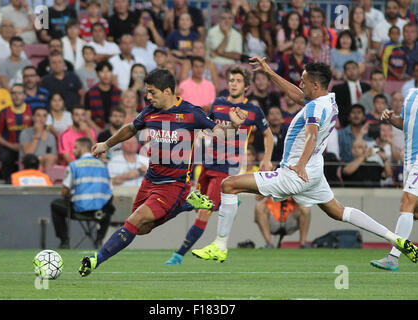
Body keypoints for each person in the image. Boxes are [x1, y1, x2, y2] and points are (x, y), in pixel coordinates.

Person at [190, 57, 418, 264]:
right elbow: (297, 96)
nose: (300, 84)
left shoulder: (316, 107)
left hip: (295, 173)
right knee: (338, 211)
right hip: (314, 171)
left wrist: (299, 165)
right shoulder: (327, 100)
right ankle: (396, 239)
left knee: (229, 184)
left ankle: (219, 246)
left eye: (303, 81)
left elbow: (311, 133)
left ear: (315, 85)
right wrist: (269, 72)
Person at [78, 68, 248, 277]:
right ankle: (186, 203)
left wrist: (233, 125)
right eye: (147, 92)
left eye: (152, 92)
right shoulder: (150, 111)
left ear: (167, 91)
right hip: (150, 181)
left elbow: (220, 135)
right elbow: (131, 128)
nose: (148, 97)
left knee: (134, 221)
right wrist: (107, 144)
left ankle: (95, 260)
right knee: (142, 228)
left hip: (173, 185)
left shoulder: (191, 113)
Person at [165, 65, 274, 266]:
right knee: (192, 203)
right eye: (231, 80)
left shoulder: (253, 111)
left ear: (247, 86)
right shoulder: (218, 104)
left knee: (203, 210)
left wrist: (266, 159)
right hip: (207, 163)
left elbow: (268, 135)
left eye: (238, 81)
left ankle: (178, 255)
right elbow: (205, 124)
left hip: (228, 168)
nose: (233, 84)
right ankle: (225, 203)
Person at [370, 88, 418, 270]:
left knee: (406, 203)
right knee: (414, 211)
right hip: (409, 161)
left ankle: (393, 257)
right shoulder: (411, 94)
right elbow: (406, 124)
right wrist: (391, 119)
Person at [51, 137, 115, 249]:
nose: (73, 151)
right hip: (100, 212)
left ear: (83, 147)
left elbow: (64, 191)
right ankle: (99, 240)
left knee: (55, 205)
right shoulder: (104, 166)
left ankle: (64, 241)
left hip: (78, 209)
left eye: (75, 147)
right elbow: (110, 193)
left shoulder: (74, 165)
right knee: (110, 207)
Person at [0, 83, 33, 183]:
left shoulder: (31, 111)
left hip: (29, 147)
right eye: (13, 93)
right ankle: (8, 184)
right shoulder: (4, 112)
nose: (16, 96)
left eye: (19, 93)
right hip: (9, 147)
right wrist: (11, 145)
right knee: (6, 157)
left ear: (24, 95)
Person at [85, 60, 122, 133]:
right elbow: (87, 117)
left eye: (108, 71)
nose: (105, 75)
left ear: (111, 73)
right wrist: (98, 129)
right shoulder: (90, 93)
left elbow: (123, 113)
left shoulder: (118, 92)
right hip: (96, 127)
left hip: (117, 127)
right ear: (97, 74)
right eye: (102, 71)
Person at [331, 61, 370, 128]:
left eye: (354, 68)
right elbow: (338, 108)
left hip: (367, 119)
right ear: (345, 73)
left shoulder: (367, 87)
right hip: (347, 120)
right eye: (348, 69)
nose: (351, 71)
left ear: (358, 70)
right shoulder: (338, 89)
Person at [19, 106, 58, 172]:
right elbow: (28, 153)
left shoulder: (51, 136)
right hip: (29, 162)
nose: (41, 118)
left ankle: (45, 179)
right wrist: (37, 134)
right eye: (38, 115)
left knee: (50, 158)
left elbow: (54, 157)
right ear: (33, 117)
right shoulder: (25, 133)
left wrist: (44, 159)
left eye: (44, 116)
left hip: (46, 163)